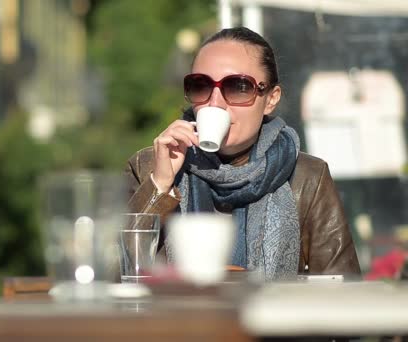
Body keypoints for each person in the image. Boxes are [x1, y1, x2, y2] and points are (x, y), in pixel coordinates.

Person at [125, 26, 360, 280]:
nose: (215, 103)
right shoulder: (151, 166)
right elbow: (116, 273)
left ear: (271, 98)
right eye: (201, 85)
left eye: (238, 87)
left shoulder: (307, 177)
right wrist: (159, 187)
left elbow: (343, 290)